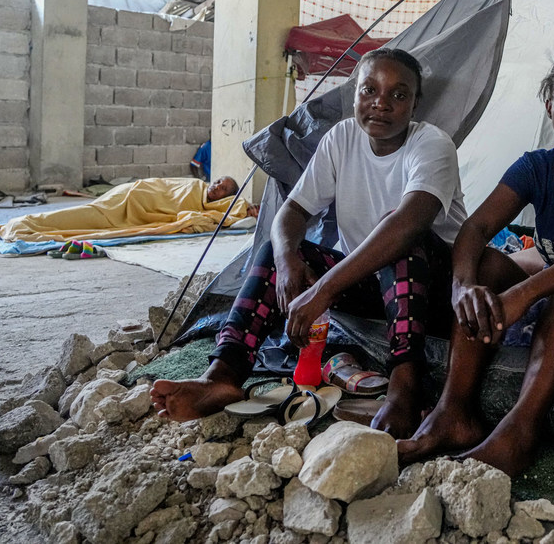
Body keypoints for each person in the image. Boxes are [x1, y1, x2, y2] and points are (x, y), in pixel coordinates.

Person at [150, 48, 467, 438]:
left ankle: (405, 386)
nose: (380, 103)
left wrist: (322, 290)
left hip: (438, 292)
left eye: (398, 95)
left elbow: (407, 225)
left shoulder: (432, 145)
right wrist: (286, 263)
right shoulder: (343, 138)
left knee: (398, 238)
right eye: (369, 90)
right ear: (354, 95)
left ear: (416, 103)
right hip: (376, 287)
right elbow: (292, 212)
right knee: (278, 249)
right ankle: (224, 373)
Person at [398, 54, 554, 475]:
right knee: (486, 267)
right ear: (549, 105)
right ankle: (452, 413)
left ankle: (519, 433)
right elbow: (475, 228)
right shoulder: (535, 166)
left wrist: (525, 292)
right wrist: (463, 286)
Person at [0, 175, 255, 243]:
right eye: (218, 181)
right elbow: (164, 186)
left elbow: (233, 211)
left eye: (223, 188)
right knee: (84, 211)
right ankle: (21, 223)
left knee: (82, 219)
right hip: (127, 194)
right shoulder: (195, 184)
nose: (217, 187)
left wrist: (247, 210)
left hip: (128, 212)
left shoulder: (210, 208)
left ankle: (23, 224)